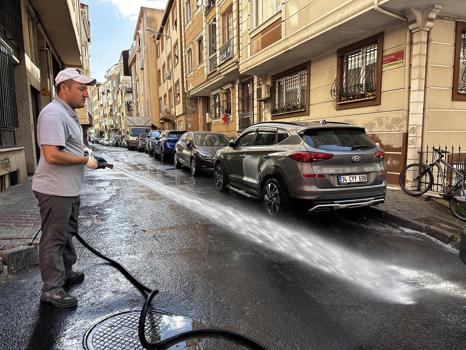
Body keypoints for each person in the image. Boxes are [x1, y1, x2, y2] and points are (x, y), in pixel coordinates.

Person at [32, 68, 105, 308]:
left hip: (68, 189)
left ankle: (65, 271)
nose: (86, 94)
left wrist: (87, 154)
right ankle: (52, 288)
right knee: (54, 238)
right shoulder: (53, 114)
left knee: (68, 231)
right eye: (81, 89)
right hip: (54, 190)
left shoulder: (68, 114)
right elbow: (52, 154)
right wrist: (85, 160)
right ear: (64, 88)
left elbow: (70, 147)